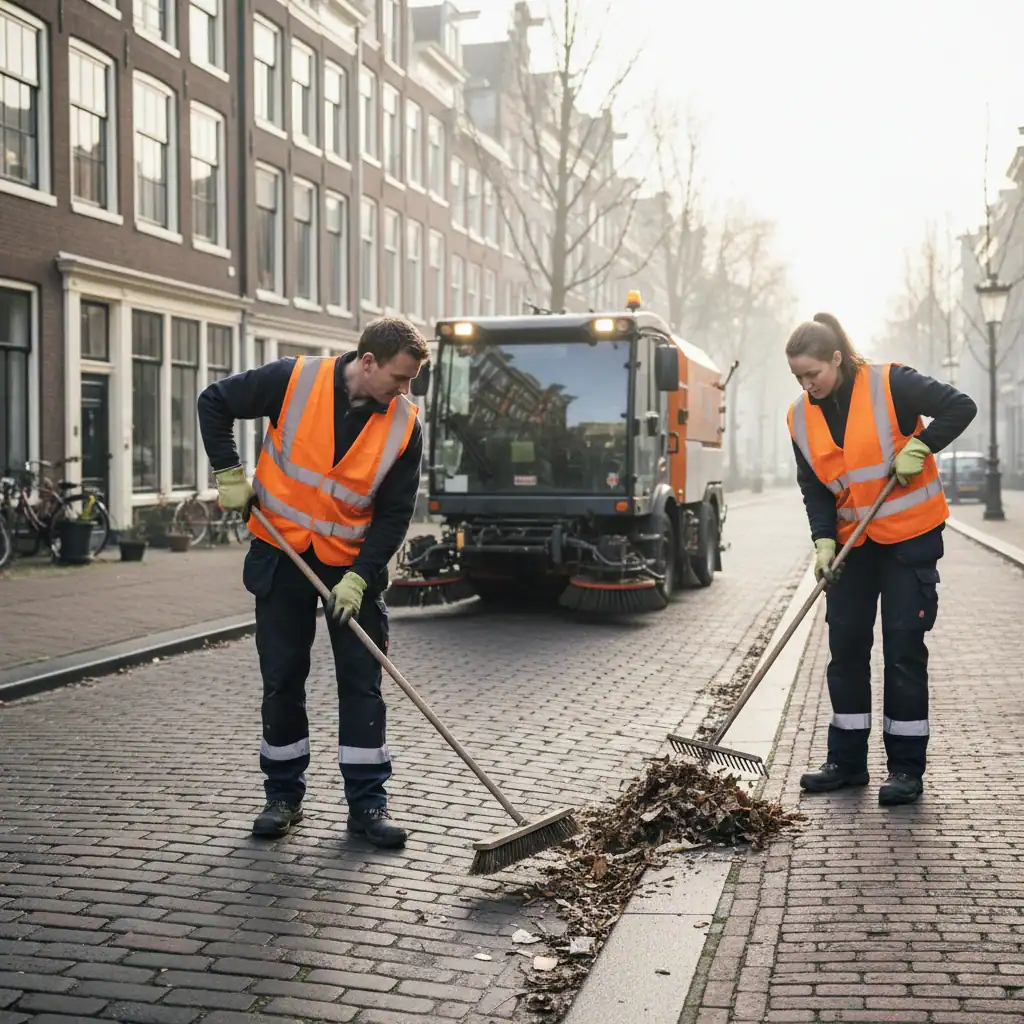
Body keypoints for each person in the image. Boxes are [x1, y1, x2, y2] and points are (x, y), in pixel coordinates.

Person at [197, 316, 429, 845]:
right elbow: (214, 401)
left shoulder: (404, 425)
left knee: (362, 685)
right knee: (282, 680)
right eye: (399, 377)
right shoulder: (291, 379)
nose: (405, 389)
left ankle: (368, 807)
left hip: (351, 568)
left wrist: (360, 577)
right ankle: (282, 797)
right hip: (281, 557)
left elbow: (394, 514)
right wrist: (229, 474)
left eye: (411, 381)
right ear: (367, 362)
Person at [785, 312, 977, 806]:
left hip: (909, 540)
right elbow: (815, 488)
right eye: (799, 379)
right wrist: (823, 541)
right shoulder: (800, 416)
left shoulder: (892, 382)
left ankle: (906, 770)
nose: (808, 386)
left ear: (837, 359)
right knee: (846, 650)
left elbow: (960, 406)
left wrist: (922, 444)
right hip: (854, 545)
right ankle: (846, 763)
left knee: (903, 650)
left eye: (814, 375)